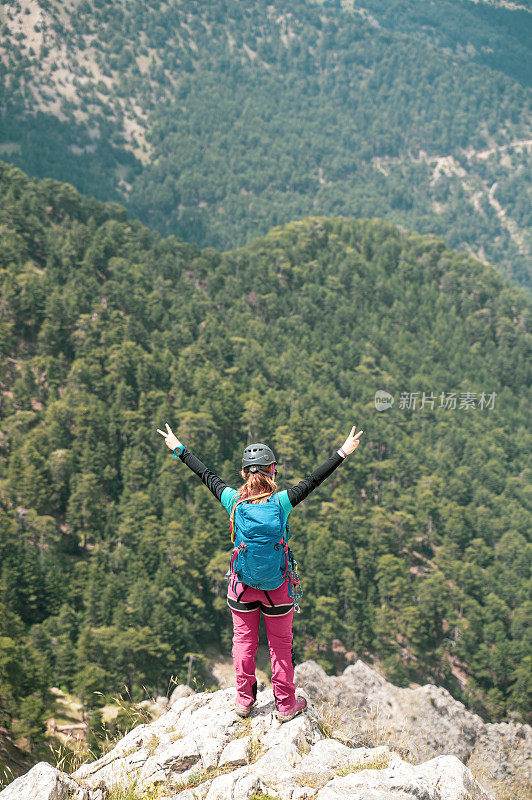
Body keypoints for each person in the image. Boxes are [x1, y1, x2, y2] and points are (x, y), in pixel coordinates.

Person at [156, 423, 363, 722]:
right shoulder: (282, 502)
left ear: (244, 473)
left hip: (241, 587)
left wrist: (179, 448)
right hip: (278, 587)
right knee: (280, 646)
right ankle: (285, 705)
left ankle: (244, 701)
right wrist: (343, 451)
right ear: (272, 470)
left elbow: (206, 475)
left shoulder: (233, 501)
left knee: (243, 642)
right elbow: (314, 479)